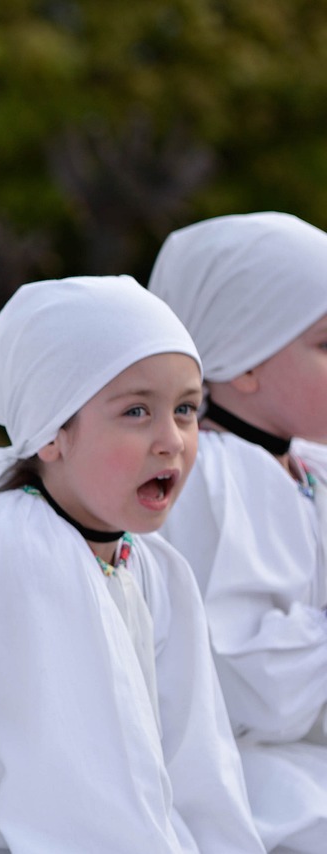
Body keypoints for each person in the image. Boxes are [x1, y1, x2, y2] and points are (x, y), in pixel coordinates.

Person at [0, 276, 264, 853]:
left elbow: (196, 768)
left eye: (186, 410)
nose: (172, 441)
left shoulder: (150, 564)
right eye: (137, 411)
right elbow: (81, 807)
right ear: (51, 434)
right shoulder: (20, 550)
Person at [149, 211, 327, 854]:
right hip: (236, 769)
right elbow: (254, 689)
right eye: (326, 345)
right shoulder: (216, 481)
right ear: (243, 364)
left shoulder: (301, 464)